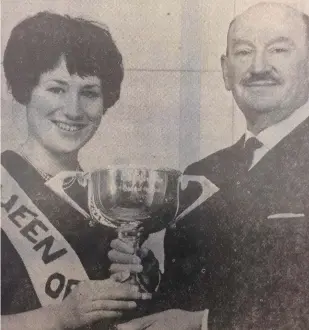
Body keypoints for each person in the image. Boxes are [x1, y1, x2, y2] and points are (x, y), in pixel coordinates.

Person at [112, 3, 309, 329]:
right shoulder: (202, 173)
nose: (259, 66)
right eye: (244, 52)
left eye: (278, 50)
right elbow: (182, 302)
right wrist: (146, 283)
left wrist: (204, 324)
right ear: (225, 71)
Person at [1, 12, 156, 330]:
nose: (73, 110)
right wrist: (59, 317)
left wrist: (144, 283)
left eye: (89, 93)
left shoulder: (108, 203)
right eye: (56, 89)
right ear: (25, 90)